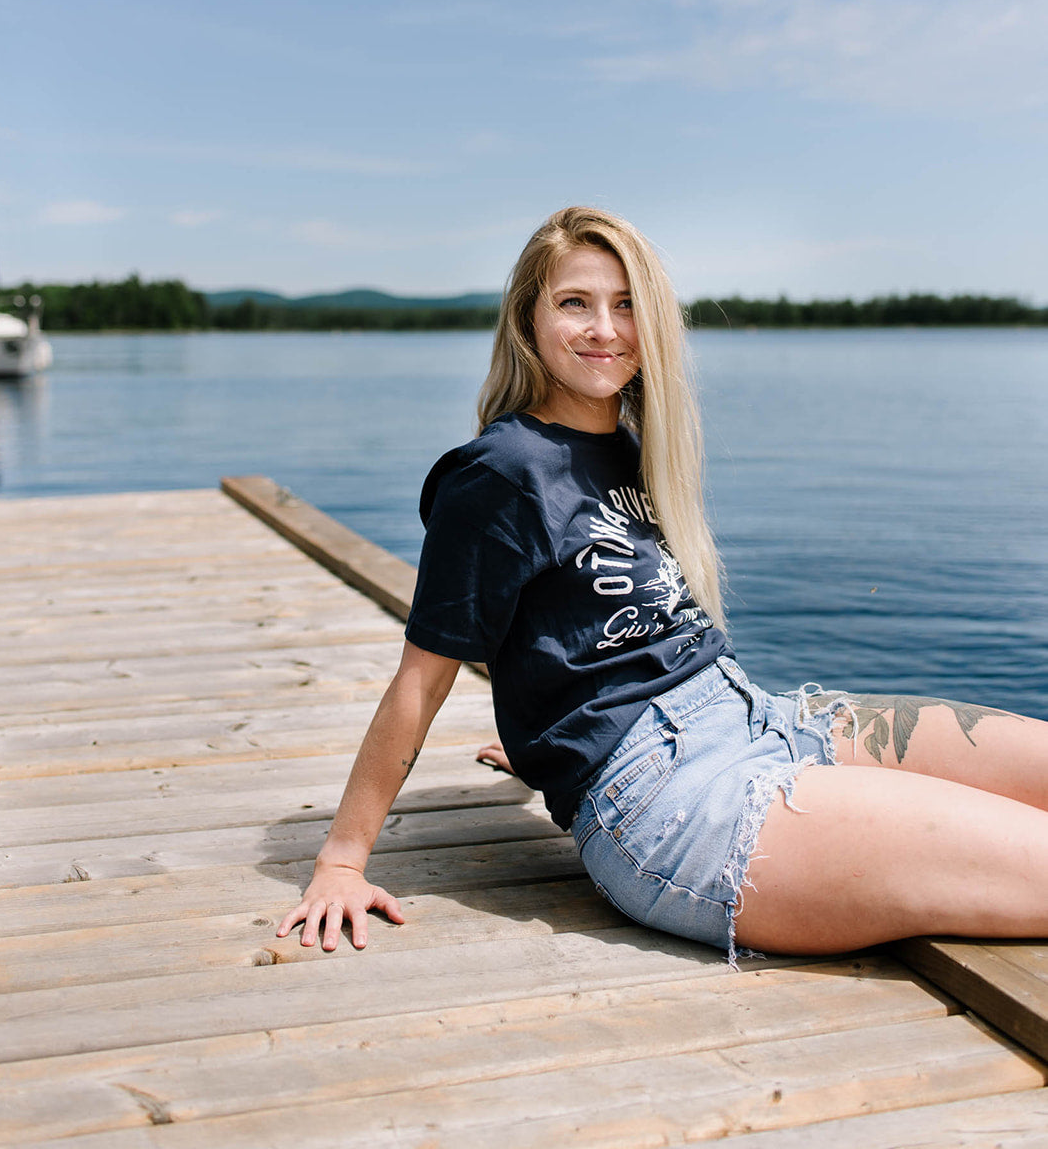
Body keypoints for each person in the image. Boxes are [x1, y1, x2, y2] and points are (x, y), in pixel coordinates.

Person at [277, 206, 1048, 963]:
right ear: (528, 319)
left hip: (760, 717)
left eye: (626, 305)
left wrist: (549, 733)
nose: (604, 329)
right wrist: (342, 860)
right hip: (670, 802)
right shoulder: (499, 475)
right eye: (574, 303)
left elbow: (571, 621)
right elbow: (423, 677)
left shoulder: (632, 445)